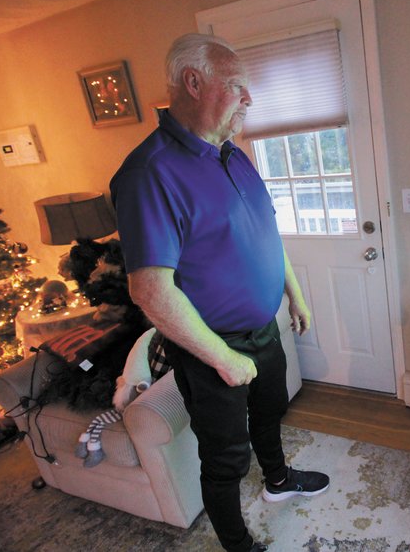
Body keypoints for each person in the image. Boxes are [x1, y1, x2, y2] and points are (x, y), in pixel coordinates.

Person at [109, 32, 329, 552]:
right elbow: (149, 289)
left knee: (272, 408)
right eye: (237, 87)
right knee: (226, 454)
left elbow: (267, 234)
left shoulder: (233, 155)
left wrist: (294, 294)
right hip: (212, 348)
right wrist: (224, 359)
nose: (249, 100)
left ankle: (277, 482)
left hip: (264, 330)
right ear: (193, 82)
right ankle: (236, 543)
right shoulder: (149, 172)